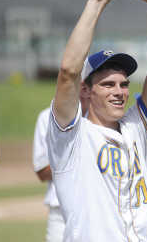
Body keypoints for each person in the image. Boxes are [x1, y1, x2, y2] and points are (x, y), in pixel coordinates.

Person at [47, 0, 147, 241]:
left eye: (124, 84)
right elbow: (69, 70)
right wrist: (98, 1)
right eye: (107, 85)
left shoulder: (134, 128)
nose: (119, 92)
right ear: (86, 90)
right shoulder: (71, 137)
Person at [32, 93, 89, 242]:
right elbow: (42, 172)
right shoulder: (46, 117)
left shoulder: (104, 119)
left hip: (95, 208)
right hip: (59, 210)